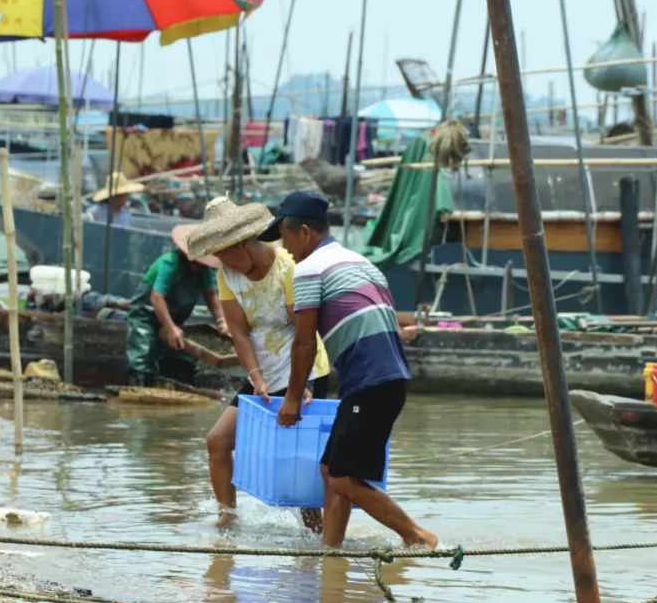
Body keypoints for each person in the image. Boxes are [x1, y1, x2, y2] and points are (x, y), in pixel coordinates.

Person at [263, 190, 437, 549]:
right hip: (387, 379)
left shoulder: (310, 268)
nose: (286, 249)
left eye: (286, 238)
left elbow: (305, 342)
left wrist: (292, 399)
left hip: (370, 381)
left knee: (342, 478)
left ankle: (418, 537)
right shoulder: (361, 263)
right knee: (331, 472)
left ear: (306, 233)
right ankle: (331, 552)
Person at [186, 196, 331, 530]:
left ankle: (316, 534)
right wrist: (255, 376)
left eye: (226, 254)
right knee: (217, 441)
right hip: (262, 370)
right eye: (217, 256)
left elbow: (304, 332)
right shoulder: (227, 275)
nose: (224, 262)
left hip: (304, 367)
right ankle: (227, 520)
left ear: (244, 243)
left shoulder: (287, 267)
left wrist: (302, 384)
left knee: (299, 459)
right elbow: (238, 332)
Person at [125, 225, 227, 386]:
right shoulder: (170, 263)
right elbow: (157, 297)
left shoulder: (204, 271)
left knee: (181, 358)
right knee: (142, 356)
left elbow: (211, 294)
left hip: (175, 319)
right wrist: (171, 328)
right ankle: (139, 386)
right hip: (147, 315)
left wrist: (221, 320)